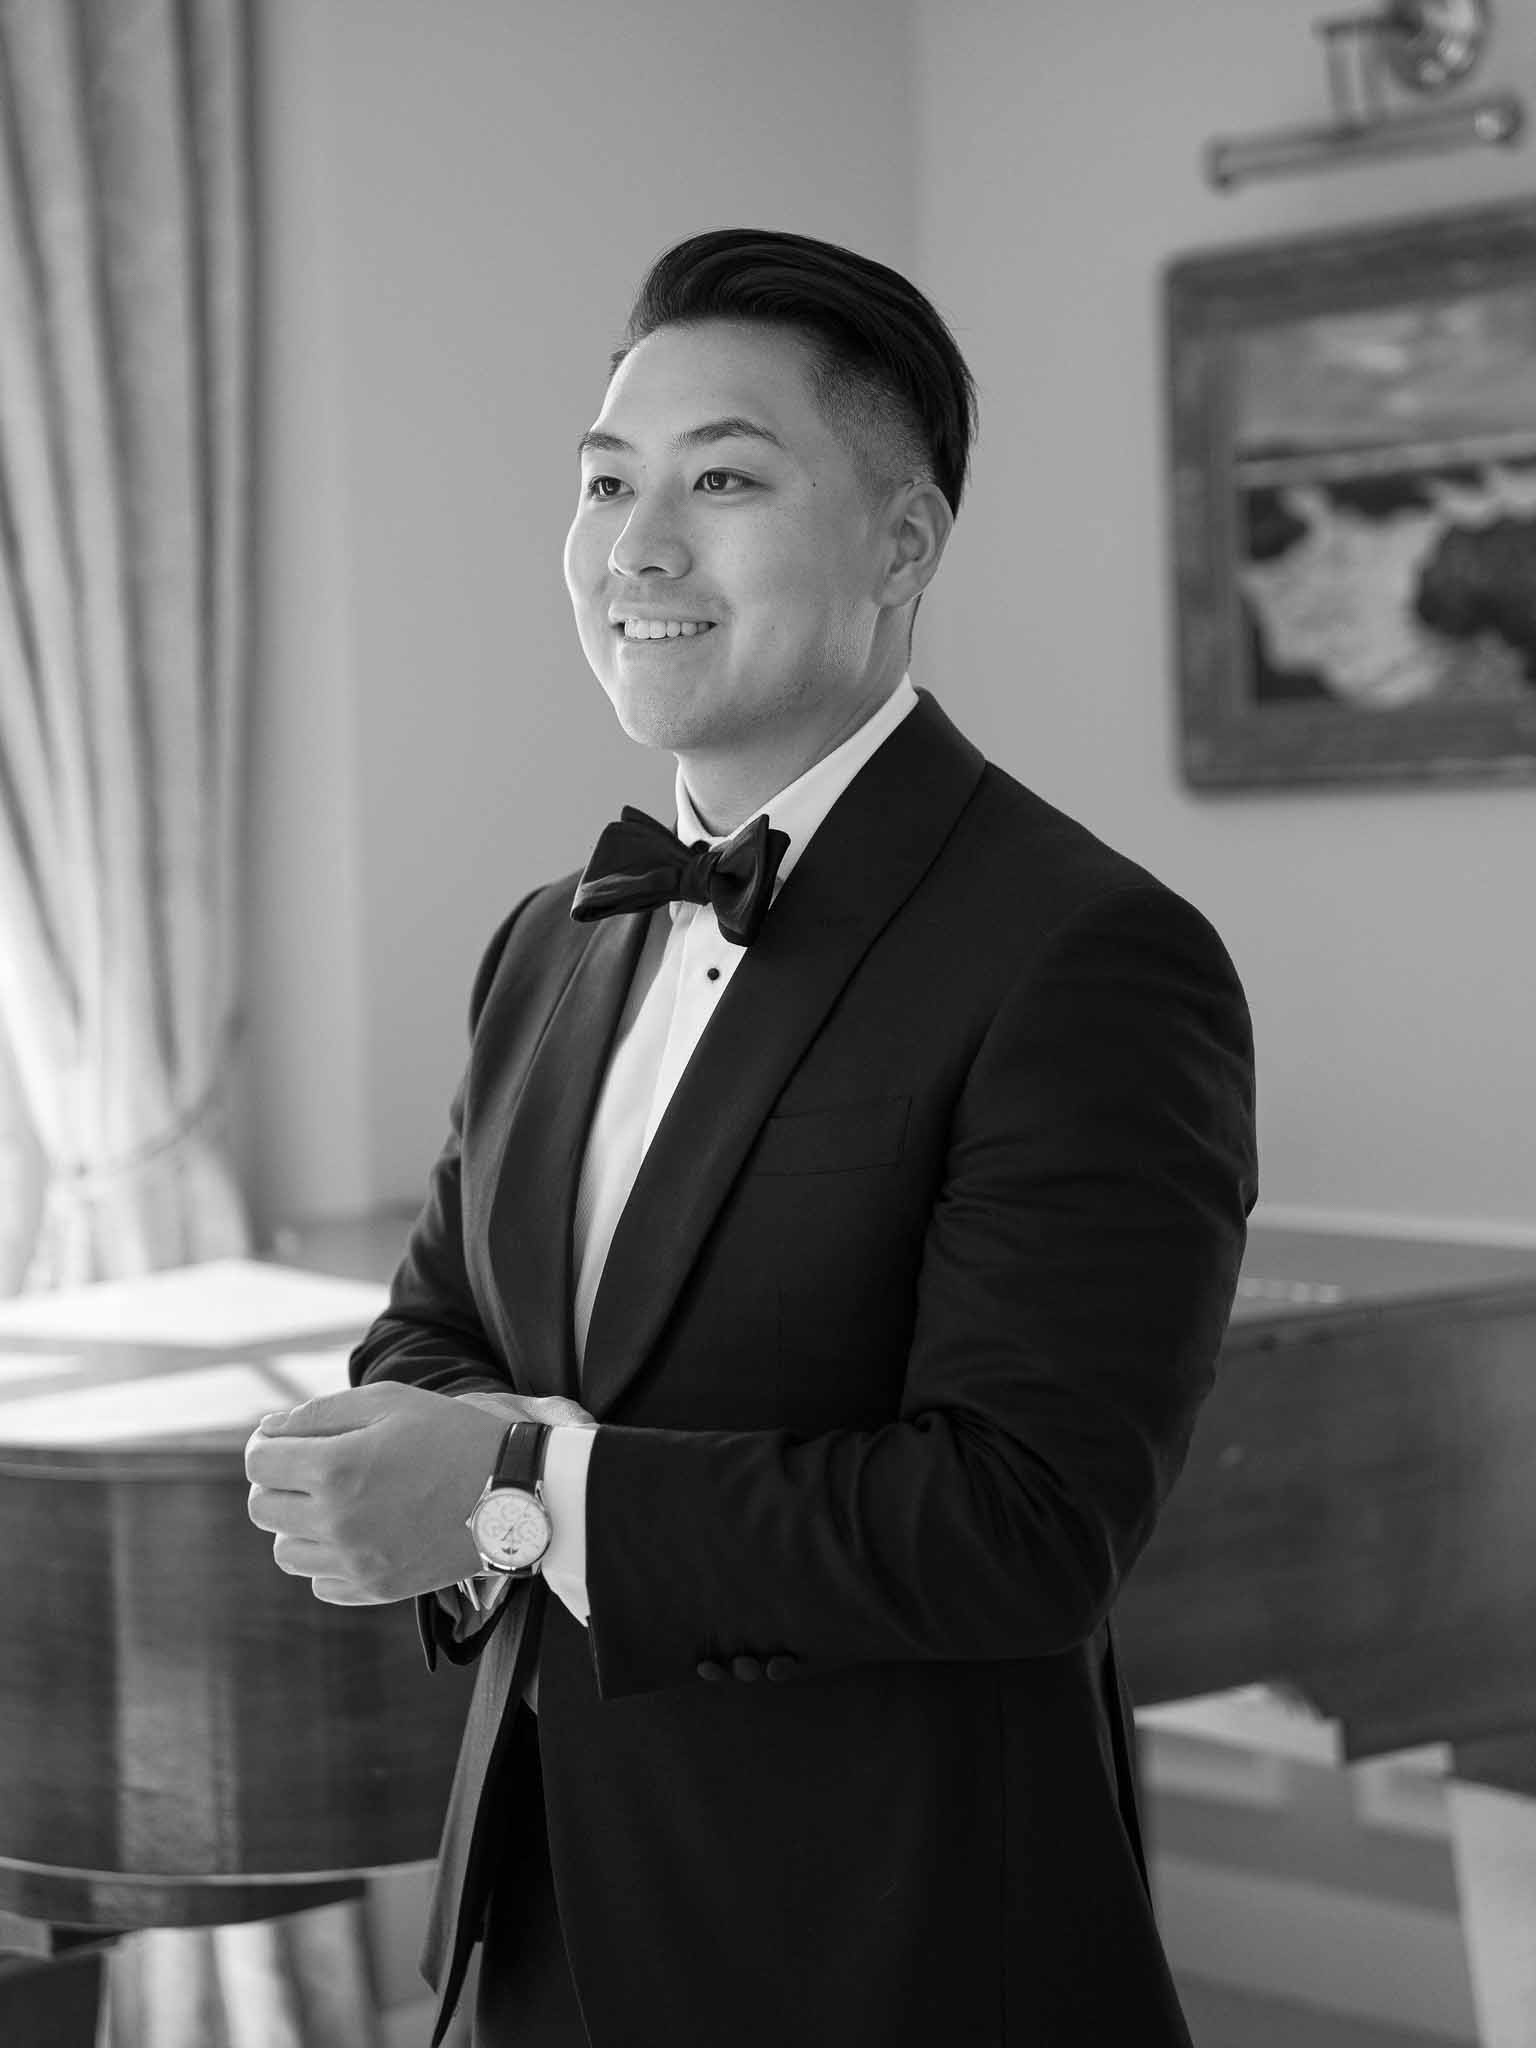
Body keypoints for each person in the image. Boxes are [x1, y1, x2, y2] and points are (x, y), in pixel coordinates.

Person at [246, 226, 1258, 2048]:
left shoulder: (1089, 953)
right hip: (542, 1919)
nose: (637, 545)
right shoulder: (549, 941)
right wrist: (442, 1450)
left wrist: (513, 1486)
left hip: (894, 1955)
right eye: (604, 483)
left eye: (721, 480)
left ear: (903, 545)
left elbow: (1024, 1525)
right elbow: (430, 1331)